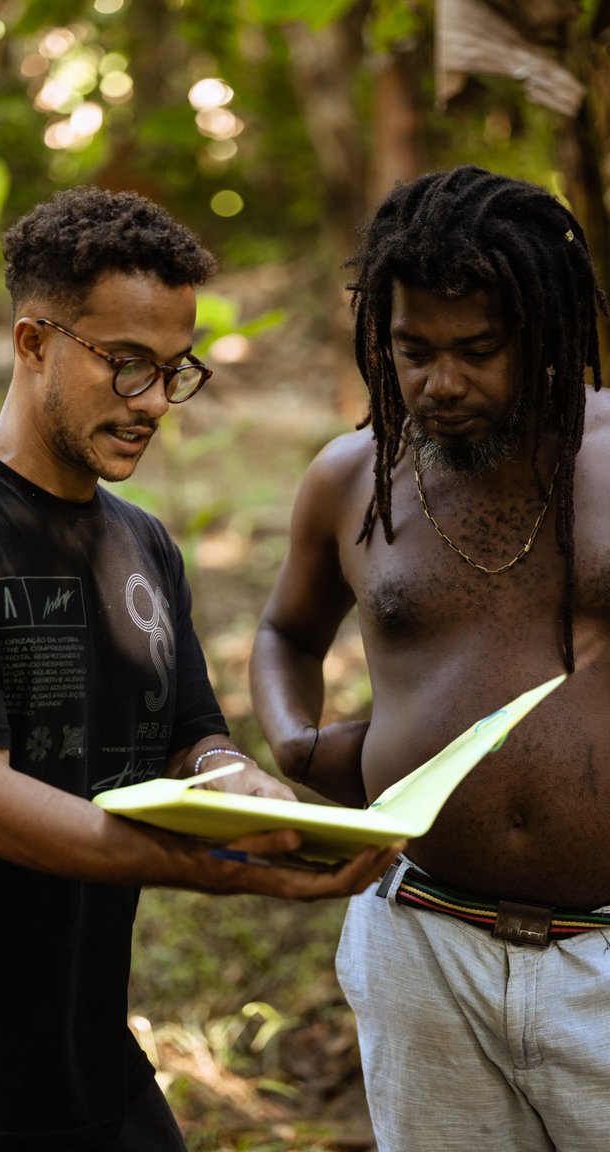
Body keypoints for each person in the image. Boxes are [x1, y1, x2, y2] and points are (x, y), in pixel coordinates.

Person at [0, 186, 401, 1152]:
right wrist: (224, 873)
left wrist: (257, 802)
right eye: (126, 366)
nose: (151, 404)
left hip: (78, 1047)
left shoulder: (142, 544)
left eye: (175, 372)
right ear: (33, 344)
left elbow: (193, 737)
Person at [249, 164, 610, 1151]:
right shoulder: (351, 478)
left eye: (479, 351)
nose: (440, 384)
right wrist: (292, 738)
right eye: (413, 351)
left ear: (544, 334)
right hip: (423, 942)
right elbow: (286, 632)